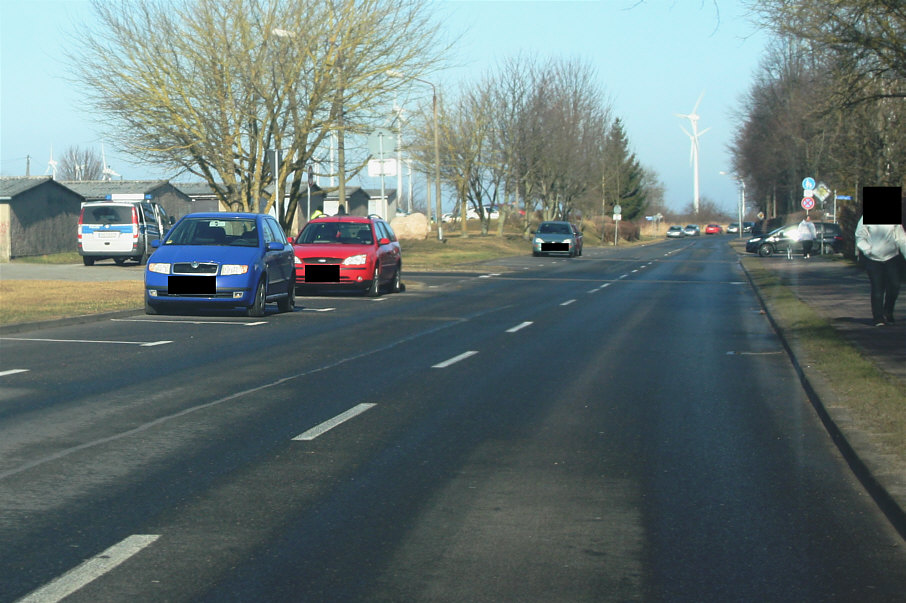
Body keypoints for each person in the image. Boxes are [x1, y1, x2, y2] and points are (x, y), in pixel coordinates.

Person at [855, 216, 906, 326]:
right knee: (877, 288)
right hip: (874, 259)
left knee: (895, 286)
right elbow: (860, 236)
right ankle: (878, 318)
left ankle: (888, 310)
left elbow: (901, 238)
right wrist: (868, 250)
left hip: (892, 257)